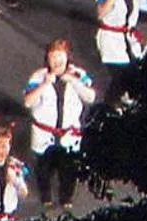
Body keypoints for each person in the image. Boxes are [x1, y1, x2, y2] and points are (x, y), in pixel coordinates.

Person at [23, 39, 98, 211]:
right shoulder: (38, 77)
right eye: (53, 58)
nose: (57, 62)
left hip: (69, 135)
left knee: (69, 170)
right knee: (43, 170)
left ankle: (66, 197)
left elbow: (90, 97)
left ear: (68, 57)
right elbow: (28, 102)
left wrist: (73, 81)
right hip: (44, 134)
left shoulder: (78, 74)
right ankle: (46, 195)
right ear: (47, 59)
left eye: (60, 57)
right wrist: (45, 84)